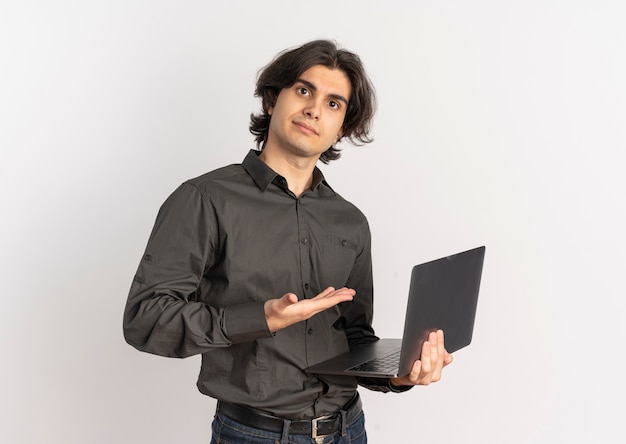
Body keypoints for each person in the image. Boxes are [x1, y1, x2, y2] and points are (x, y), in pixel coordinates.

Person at [123, 39, 453, 444]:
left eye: (334, 103)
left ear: (342, 128)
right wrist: (261, 318)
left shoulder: (350, 221)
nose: (315, 109)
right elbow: (145, 319)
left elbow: (355, 338)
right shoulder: (204, 199)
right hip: (254, 434)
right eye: (303, 90)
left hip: (349, 431)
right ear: (271, 100)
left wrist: (399, 375)